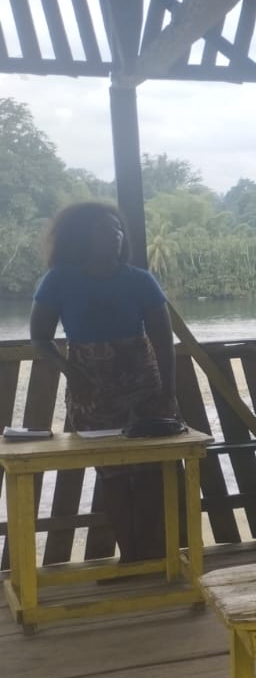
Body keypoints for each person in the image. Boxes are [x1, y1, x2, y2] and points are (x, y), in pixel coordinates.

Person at [30, 202, 177, 564]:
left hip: (142, 383)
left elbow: (163, 339)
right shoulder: (59, 280)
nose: (115, 235)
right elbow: (40, 337)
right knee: (112, 472)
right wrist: (70, 372)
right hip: (91, 389)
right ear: (83, 236)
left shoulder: (140, 280)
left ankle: (154, 557)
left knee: (151, 471)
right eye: (104, 229)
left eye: (118, 229)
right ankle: (130, 557)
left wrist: (167, 392)